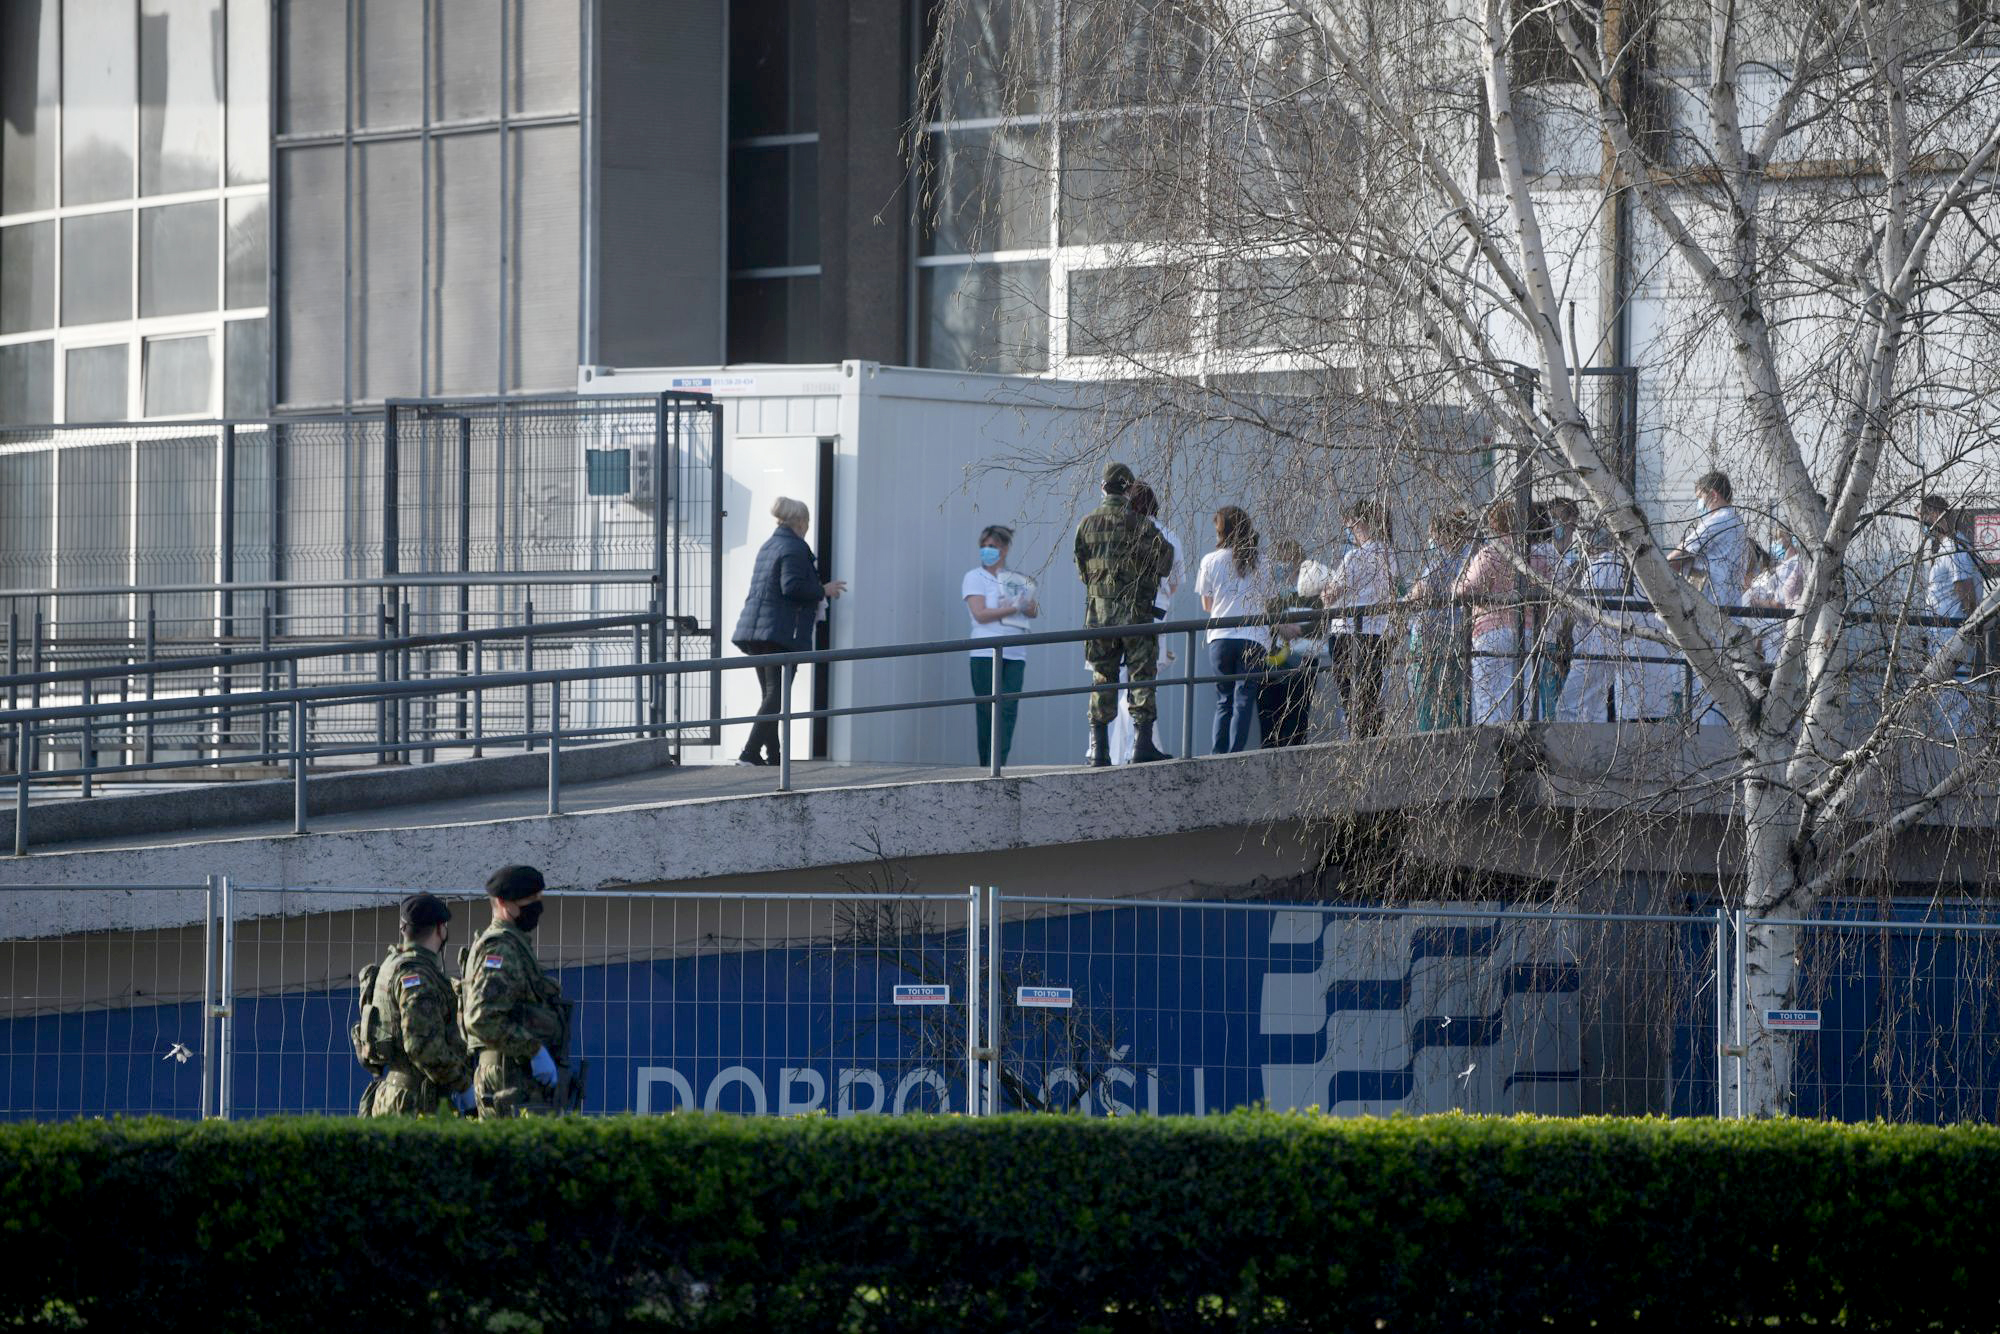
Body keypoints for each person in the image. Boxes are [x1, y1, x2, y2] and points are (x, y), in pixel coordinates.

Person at [732, 496, 845, 767]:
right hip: (779, 633)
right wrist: (823, 590)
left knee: (771, 696)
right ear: (801, 522)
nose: (808, 527)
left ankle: (773, 756)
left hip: (758, 631)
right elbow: (791, 586)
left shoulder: (771, 545)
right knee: (776, 696)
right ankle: (748, 754)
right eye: (807, 522)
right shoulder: (794, 548)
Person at [1074, 462, 1175, 766]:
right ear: (1129, 489)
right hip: (1135, 616)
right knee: (1141, 677)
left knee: (1102, 677)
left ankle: (1099, 749)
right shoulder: (1142, 525)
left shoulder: (1086, 524)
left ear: (1103, 488)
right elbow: (1165, 562)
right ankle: (1141, 746)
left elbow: (1082, 572)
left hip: (1099, 618)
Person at [462, 865, 580, 1118]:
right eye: (530, 901)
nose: (537, 907)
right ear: (504, 903)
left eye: (539, 899)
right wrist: (533, 1050)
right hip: (510, 1076)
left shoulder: (512, 943)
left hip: (515, 1073)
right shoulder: (501, 949)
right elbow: (482, 1017)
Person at [351, 892, 476, 1118]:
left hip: (393, 1095)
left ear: (403, 929)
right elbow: (422, 1046)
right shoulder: (416, 975)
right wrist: (464, 1086)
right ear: (440, 929)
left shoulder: (391, 966)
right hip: (416, 1103)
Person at [1455, 500, 1556, 724]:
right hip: (1527, 633)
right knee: (1524, 699)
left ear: (1494, 524)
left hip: (1490, 633)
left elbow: (1465, 590)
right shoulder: (1536, 556)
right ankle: (1527, 748)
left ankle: (1491, 752)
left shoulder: (1489, 554)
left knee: (1489, 700)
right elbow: (1550, 591)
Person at [1111, 482, 1185, 764]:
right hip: (1154, 616)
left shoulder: (1119, 532)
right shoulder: (1170, 537)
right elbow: (1175, 584)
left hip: (1117, 617)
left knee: (1117, 685)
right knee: (1143, 686)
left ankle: (1107, 749)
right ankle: (1139, 746)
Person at [1317, 499, 1399, 738]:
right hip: (1378, 633)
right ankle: (1370, 737)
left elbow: (1330, 597)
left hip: (1350, 634)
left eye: (1351, 525)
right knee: (1371, 690)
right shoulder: (1388, 554)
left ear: (1362, 524)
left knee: (1350, 695)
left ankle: (1355, 737)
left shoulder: (1354, 557)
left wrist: (1322, 587)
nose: (1349, 530)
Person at [962, 524, 1039, 766]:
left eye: (992, 546)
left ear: (1005, 549)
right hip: (985, 652)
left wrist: (1025, 605)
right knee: (987, 710)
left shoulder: (1016, 579)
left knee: (1008, 711)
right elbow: (980, 614)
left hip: (1015, 653)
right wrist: (1012, 607)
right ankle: (986, 764)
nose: (987, 551)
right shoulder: (975, 577)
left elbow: (1033, 610)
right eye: (983, 547)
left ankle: (1000, 762)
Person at [1195, 505, 1271, 753]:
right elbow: (1268, 598)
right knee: (1244, 699)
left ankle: (1218, 753)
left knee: (1224, 700)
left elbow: (1207, 604)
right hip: (1253, 638)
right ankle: (1235, 752)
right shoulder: (1262, 561)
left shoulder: (1210, 561)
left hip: (1221, 638)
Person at [1555, 525, 1631, 723]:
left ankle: (1565, 750)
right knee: (1595, 708)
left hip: (1592, 649)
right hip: (1612, 649)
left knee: (1567, 706)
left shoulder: (1598, 567)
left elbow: (1582, 608)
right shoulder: (1623, 566)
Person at [1920, 495, 1982, 736]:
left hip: (1951, 634)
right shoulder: (1944, 546)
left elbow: (1964, 588)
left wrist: (1970, 628)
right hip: (1939, 634)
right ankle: (1953, 737)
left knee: (1952, 691)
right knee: (1943, 690)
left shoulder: (1954, 546)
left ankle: (1963, 739)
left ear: (1935, 514)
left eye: (1924, 518)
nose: (1924, 525)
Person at [1409, 509, 1476, 730]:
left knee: (1427, 694)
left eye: (1433, 534)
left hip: (1431, 635)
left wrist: (1404, 598)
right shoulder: (1469, 556)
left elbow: (1421, 590)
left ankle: (1427, 735)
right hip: (1457, 633)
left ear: (1444, 534)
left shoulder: (1440, 559)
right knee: (1453, 693)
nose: (1431, 540)